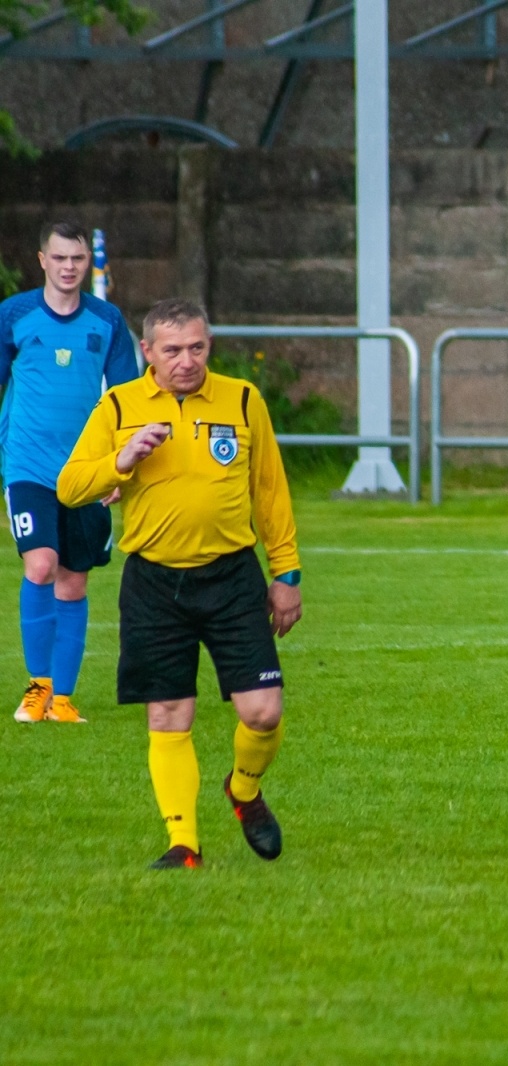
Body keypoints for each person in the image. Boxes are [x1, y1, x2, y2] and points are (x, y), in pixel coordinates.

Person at [57, 299, 302, 870]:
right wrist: (121, 460)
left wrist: (286, 573)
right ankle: (183, 844)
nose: (186, 360)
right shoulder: (119, 405)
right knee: (168, 713)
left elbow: (269, 490)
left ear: (209, 345)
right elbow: (70, 486)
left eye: (196, 347)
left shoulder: (243, 399)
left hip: (232, 576)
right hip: (153, 582)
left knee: (264, 711)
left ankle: (243, 790)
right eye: (172, 350)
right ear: (148, 352)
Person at [2, 221, 139, 724]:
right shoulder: (13, 315)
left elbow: (126, 401)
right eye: (59, 258)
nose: (68, 267)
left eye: (77, 259)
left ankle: (62, 699)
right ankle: (37, 687)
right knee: (41, 565)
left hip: (87, 470)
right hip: (28, 466)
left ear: (88, 262)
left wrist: (120, 470)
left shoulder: (107, 320)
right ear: (42, 260)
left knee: (73, 581)